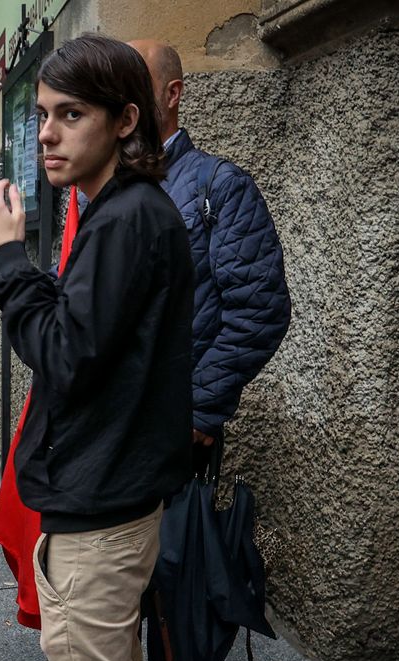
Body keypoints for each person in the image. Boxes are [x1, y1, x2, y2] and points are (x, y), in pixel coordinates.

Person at [0, 35, 193, 661]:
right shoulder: (119, 211)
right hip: (103, 494)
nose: (48, 133)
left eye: (71, 114)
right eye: (43, 115)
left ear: (126, 120)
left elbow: (64, 357)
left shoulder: (130, 217)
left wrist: (6, 260)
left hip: (103, 507)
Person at [128, 40, 291, 450]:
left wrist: (200, 407)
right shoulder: (107, 187)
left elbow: (259, 309)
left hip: (168, 428)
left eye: (135, 81)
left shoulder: (220, 185)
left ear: (172, 94)